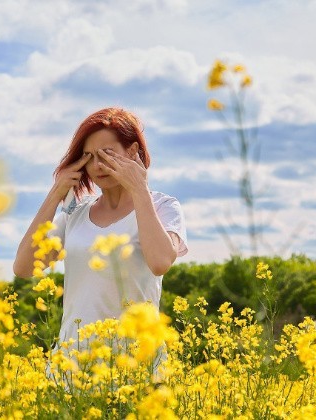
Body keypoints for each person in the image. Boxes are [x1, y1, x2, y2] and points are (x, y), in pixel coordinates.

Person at [13, 107, 188, 370]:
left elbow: (161, 261)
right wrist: (55, 195)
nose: (97, 166)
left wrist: (139, 187)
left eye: (107, 154)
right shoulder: (75, 214)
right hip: (72, 368)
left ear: (132, 151)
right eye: (89, 157)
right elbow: (24, 268)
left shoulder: (163, 207)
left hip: (136, 365)